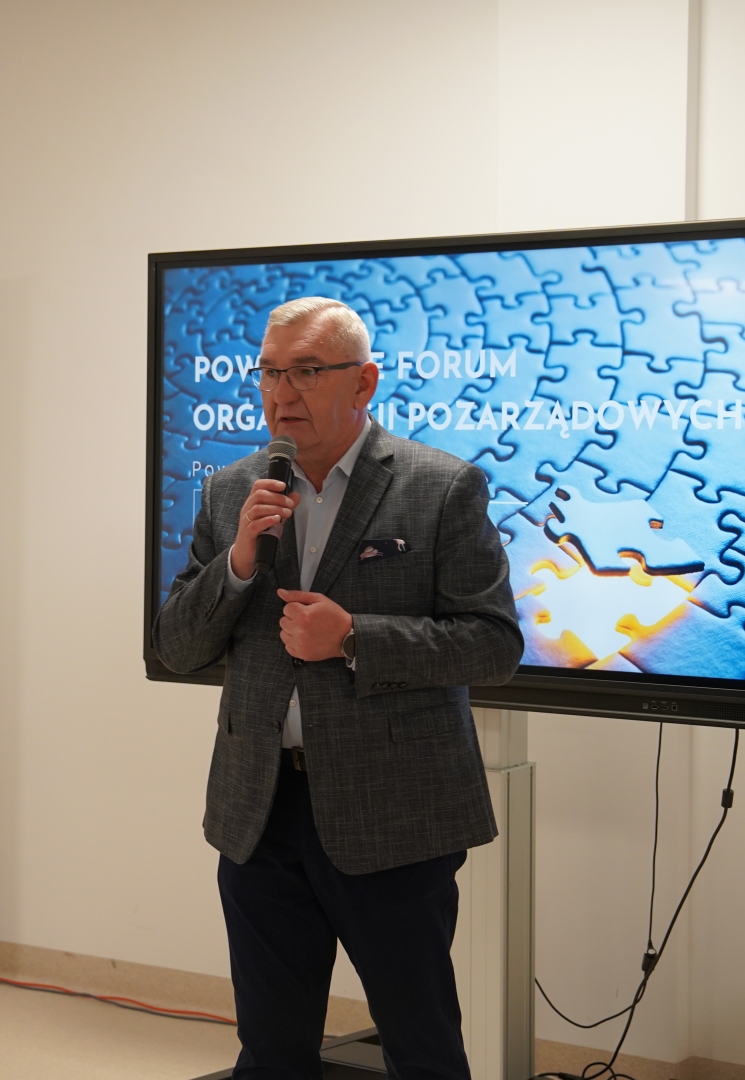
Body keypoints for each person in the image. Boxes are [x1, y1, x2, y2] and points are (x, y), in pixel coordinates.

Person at [153, 296, 523, 1079]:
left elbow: (494, 645)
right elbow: (178, 647)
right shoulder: (231, 492)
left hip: (395, 811)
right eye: (269, 373)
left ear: (364, 382)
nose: (281, 393)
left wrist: (354, 636)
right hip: (260, 811)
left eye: (307, 372)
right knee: (272, 1052)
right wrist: (239, 563)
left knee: (422, 1049)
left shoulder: (442, 487)